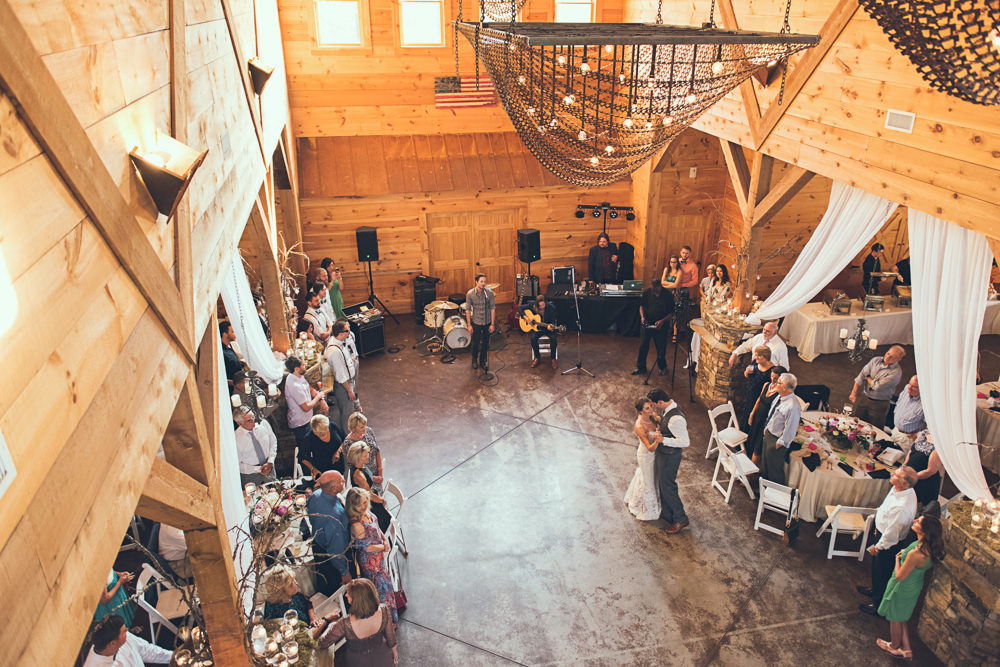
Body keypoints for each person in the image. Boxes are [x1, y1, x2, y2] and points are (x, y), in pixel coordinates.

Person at [876, 515, 945, 660]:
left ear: (925, 531)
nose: (914, 521)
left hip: (902, 588)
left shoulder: (916, 553)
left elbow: (900, 576)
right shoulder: (928, 547)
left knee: (895, 618)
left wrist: (897, 560)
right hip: (913, 587)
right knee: (901, 616)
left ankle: (893, 647)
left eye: (918, 522)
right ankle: (906, 649)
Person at [858, 466, 919, 615]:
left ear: (904, 483)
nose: (892, 474)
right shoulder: (898, 489)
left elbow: (892, 533)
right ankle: (874, 590)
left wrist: (878, 547)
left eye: (896, 475)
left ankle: (878, 606)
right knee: (875, 568)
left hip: (889, 543)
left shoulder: (903, 507)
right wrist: (877, 526)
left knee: (882, 573)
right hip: (882, 532)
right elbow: (886, 510)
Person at [345, 488, 398, 623]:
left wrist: (384, 538)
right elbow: (367, 548)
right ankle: (386, 622)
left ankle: (391, 617)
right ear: (353, 506)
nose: (364, 505)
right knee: (381, 592)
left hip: (379, 555)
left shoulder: (365, 511)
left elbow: (375, 524)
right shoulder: (357, 525)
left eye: (365, 501)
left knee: (386, 587)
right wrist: (384, 547)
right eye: (360, 504)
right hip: (371, 563)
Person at [317, 578, 398, 666]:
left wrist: (331, 624)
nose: (346, 595)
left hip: (358, 662)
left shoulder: (344, 624)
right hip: (383, 657)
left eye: (349, 593)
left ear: (356, 599)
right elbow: (391, 639)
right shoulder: (384, 611)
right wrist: (394, 653)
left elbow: (322, 643)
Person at [647, 388, 690, 534]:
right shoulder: (670, 407)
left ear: (660, 402)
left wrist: (663, 439)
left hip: (670, 457)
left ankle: (680, 518)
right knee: (663, 484)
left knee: (668, 487)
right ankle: (668, 513)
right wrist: (660, 420)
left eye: (654, 405)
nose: (654, 407)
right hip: (664, 454)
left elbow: (685, 442)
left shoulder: (676, 419)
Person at [307, 471, 353, 596]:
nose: (344, 481)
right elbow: (335, 548)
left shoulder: (315, 495)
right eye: (341, 481)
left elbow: (310, 516)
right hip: (333, 556)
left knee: (324, 582)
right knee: (340, 591)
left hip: (318, 545)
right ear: (333, 489)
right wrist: (344, 572)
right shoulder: (334, 515)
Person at [624, 397, 664, 521]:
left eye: (651, 406)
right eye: (647, 408)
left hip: (656, 454)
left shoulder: (653, 416)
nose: (651, 409)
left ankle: (637, 498)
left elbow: (661, 421)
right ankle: (648, 510)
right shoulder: (639, 426)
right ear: (641, 411)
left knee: (652, 477)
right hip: (646, 455)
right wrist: (658, 440)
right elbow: (649, 447)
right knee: (648, 481)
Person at [759, 373, 801, 486]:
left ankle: (774, 494)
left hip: (777, 440)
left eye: (779, 382)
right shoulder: (780, 397)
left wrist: (780, 443)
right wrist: (767, 427)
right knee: (765, 464)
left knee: (774, 470)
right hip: (769, 434)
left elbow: (790, 428)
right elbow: (773, 413)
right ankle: (764, 490)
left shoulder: (793, 406)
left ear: (784, 387)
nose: (775, 384)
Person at [849, 345, 906, 430]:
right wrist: (853, 393)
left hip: (879, 404)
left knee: (875, 429)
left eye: (892, 357)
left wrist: (868, 376)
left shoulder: (896, 373)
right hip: (864, 398)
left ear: (899, 359)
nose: (887, 357)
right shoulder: (876, 360)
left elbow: (876, 386)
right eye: (887, 353)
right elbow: (861, 375)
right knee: (856, 424)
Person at [83, 614, 172, 667]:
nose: (127, 630)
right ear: (112, 643)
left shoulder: (123, 637)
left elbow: (147, 650)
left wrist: (173, 656)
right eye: (123, 632)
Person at [745, 365, 787, 466]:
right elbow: (759, 400)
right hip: (757, 419)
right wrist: (752, 413)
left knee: (757, 448)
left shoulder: (780, 393)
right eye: (772, 376)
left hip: (765, 422)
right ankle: (751, 467)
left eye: (776, 378)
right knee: (751, 442)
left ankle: (749, 476)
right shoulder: (766, 385)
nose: (773, 380)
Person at [632, 278, 675, 377]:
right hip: (647, 323)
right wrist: (642, 318)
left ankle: (662, 367)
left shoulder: (667, 295)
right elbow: (642, 306)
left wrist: (663, 321)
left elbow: (672, 312)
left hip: (661, 326)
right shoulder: (647, 292)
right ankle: (641, 367)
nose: (654, 290)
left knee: (661, 347)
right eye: (653, 288)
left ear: (660, 286)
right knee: (643, 346)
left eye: (656, 288)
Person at [346, 443, 392, 533]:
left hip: (371, 494)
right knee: (384, 520)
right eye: (365, 455)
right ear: (358, 458)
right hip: (367, 503)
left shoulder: (361, 465)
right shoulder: (359, 475)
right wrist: (382, 501)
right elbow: (369, 495)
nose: (368, 456)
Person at [326, 320, 361, 435]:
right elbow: (340, 376)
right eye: (347, 331)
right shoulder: (335, 351)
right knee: (346, 414)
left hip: (348, 381)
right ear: (340, 334)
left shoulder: (339, 343)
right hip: (343, 386)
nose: (349, 332)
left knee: (348, 410)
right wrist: (349, 391)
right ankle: (348, 437)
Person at [285, 356, 328, 447]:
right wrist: (318, 397)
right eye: (303, 365)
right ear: (296, 369)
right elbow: (306, 407)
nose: (306, 365)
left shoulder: (298, 376)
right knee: (305, 447)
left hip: (307, 420)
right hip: (301, 424)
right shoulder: (294, 386)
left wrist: (321, 400)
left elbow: (310, 389)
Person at [233, 406, 278, 486]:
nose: (253, 421)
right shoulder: (236, 439)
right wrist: (258, 469)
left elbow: (273, 443)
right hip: (251, 475)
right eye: (248, 421)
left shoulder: (263, 424)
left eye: (252, 417)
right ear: (239, 423)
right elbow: (237, 465)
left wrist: (270, 462)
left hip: (269, 467)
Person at [343, 412, 384, 496]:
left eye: (365, 425)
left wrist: (380, 470)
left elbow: (377, 450)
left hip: (376, 473)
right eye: (361, 427)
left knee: (379, 495)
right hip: (362, 479)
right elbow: (353, 469)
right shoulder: (348, 443)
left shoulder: (369, 431)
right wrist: (372, 478)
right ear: (353, 428)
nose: (365, 428)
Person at [903, 431, 943, 509]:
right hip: (909, 476)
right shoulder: (923, 433)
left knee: (916, 507)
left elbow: (929, 471)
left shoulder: (939, 445)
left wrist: (911, 478)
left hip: (924, 483)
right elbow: (911, 451)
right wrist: (904, 466)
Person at [300, 414, 347, 479]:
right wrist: (313, 469)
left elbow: (344, 439)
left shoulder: (333, 426)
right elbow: (301, 457)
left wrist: (338, 451)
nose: (317, 435)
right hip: (321, 471)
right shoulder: (309, 437)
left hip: (338, 467)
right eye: (315, 432)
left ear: (326, 427)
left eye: (321, 433)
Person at [518, 293, 559, 369]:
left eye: (543, 305)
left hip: (547, 328)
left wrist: (551, 326)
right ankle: (537, 357)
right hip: (536, 328)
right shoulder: (531, 304)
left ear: (546, 303)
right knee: (533, 339)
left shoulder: (551, 308)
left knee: (553, 338)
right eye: (540, 305)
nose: (542, 307)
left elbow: (553, 321)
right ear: (536, 304)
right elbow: (520, 308)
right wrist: (525, 317)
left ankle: (553, 358)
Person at [740, 346, 775, 433]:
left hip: (759, 399)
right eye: (755, 354)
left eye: (759, 355)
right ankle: (742, 436)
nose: (756, 357)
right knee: (745, 415)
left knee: (753, 420)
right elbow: (746, 375)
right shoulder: (755, 362)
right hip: (749, 395)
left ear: (766, 356)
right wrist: (746, 372)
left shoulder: (772, 371)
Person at [465, 273, 495, 372]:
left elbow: (492, 308)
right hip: (476, 322)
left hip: (487, 322)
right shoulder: (470, 294)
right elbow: (468, 310)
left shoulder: (489, 293)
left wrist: (492, 324)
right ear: (476, 282)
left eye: (485, 281)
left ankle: (483, 360)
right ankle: (474, 359)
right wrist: (469, 325)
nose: (483, 284)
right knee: (475, 342)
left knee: (486, 342)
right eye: (481, 281)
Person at [891, 375, 925, 456]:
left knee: (900, 464)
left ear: (922, 389)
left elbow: (931, 427)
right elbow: (898, 403)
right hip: (895, 431)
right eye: (910, 384)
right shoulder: (906, 388)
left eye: (914, 387)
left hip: (907, 439)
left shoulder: (925, 404)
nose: (910, 388)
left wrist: (919, 434)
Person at [220, 320, 242, 390]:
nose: (234, 334)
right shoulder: (221, 352)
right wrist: (234, 383)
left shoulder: (230, 346)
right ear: (225, 334)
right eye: (232, 332)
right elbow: (221, 375)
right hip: (230, 389)